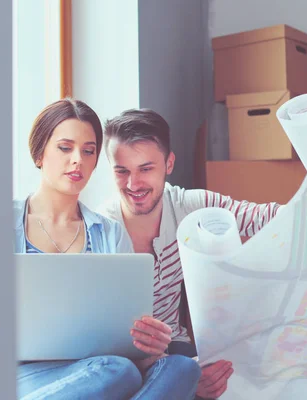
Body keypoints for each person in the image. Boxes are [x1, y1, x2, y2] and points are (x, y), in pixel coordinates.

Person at [14, 99, 201, 400]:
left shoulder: (110, 232)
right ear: (39, 153)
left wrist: (146, 344)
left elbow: (124, 338)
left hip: (100, 368)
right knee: (118, 371)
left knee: (183, 369)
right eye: (65, 147)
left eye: (88, 151)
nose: (78, 160)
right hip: (24, 373)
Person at [98, 108, 283, 399]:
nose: (133, 185)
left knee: (233, 380)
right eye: (122, 171)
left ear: (168, 163)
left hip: (176, 347)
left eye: (146, 168)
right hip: (123, 358)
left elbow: (263, 216)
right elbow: (98, 338)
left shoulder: (187, 206)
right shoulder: (99, 231)